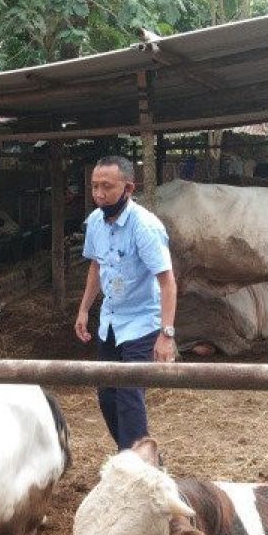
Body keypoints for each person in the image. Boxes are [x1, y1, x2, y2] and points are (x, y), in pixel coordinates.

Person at [74, 155, 177, 451]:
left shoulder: (145, 227)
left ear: (128, 188)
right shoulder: (94, 222)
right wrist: (84, 309)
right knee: (107, 396)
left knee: (129, 396)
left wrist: (166, 334)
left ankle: (134, 468)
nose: (99, 194)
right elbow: (96, 267)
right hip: (111, 321)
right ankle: (139, 462)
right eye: (94, 186)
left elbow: (168, 282)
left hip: (143, 322)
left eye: (107, 187)